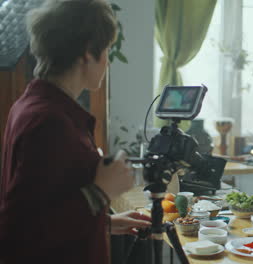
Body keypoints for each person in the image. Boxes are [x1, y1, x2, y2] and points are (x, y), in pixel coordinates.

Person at [0, 1, 151, 263]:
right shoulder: (49, 121)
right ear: (86, 52)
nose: (107, 62)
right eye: (106, 50)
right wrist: (101, 192)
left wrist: (104, 222)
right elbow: (20, 232)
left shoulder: (30, 105)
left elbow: (48, 207)